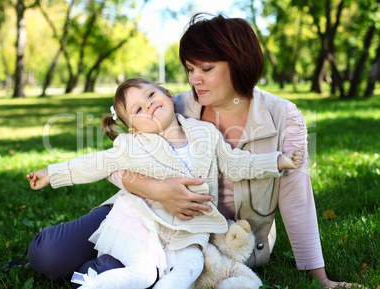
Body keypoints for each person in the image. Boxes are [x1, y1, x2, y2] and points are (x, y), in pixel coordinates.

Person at [112, 14, 364, 288]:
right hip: (151, 229)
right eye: (190, 69)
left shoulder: (283, 116)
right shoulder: (175, 107)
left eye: (206, 69)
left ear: (238, 63)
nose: (195, 79)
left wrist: (321, 279)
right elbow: (114, 163)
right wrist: (157, 191)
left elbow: (296, 199)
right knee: (57, 255)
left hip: (229, 244)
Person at [27, 77, 304, 288]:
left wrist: (277, 161)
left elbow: (236, 163)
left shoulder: (206, 133)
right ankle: (94, 281)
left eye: (150, 94)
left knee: (191, 268)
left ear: (168, 95)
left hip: (189, 231)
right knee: (145, 271)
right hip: (143, 224)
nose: (148, 103)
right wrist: (53, 173)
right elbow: (95, 164)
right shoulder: (132, 144)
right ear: (134, 127)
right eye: (138, 108)